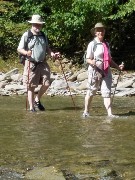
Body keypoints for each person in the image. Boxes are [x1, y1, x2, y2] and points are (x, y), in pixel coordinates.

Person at [17, 14, 60, 112]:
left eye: (39, 25)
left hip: (43, 63)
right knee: (30, 86)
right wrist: (26, 52)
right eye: (36, 24)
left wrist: (52, 54)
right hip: (31, 63)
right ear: (32, 24)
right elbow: (19, 48)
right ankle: (32, 108)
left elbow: (47, 48)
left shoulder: (43, 35)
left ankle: (37, 100)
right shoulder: (27, 35)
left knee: (47, 83)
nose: (38, 26)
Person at [83, 22, 124, 118]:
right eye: (98, 30)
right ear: (95, 32)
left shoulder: (107, 44)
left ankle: (110, 114)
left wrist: (118, 67)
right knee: (91, 91)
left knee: (107, 92)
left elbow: (109, 60)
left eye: (102, 30)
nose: (100, 32)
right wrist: (93, 62)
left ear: (104, 32)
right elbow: (88, 59)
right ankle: (86, 111)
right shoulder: (92, 44)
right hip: (94, 70)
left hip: (106, 70)